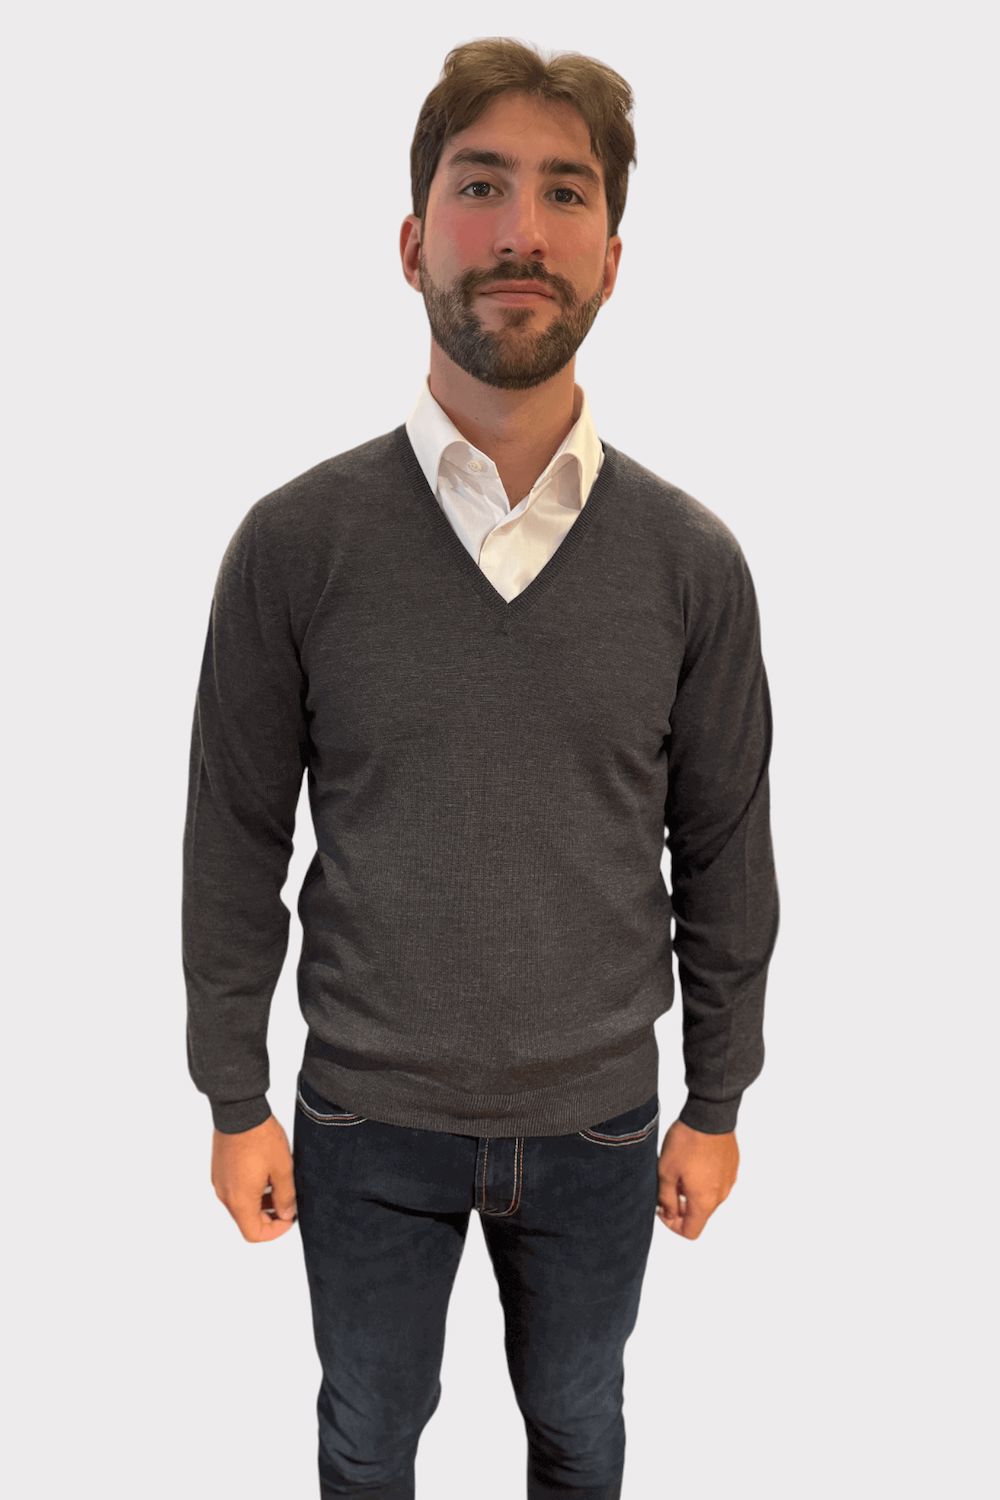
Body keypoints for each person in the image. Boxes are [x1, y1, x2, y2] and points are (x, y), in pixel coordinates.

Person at [182, 35, 780, 1500]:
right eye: (480, 185)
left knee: (580, 1432)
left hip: (600, 1122)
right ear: (412, 243)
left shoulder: (690, 563)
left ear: (612, 259)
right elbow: (234, 840)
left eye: (566, 193)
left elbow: (724, 850)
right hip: (361, 1119)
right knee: (366, 1437)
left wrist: (717, 1101)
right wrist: (233, 1095)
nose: (522, 231)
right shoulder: (296, 545)